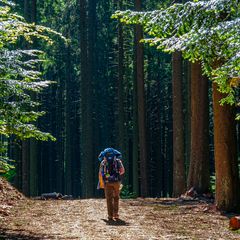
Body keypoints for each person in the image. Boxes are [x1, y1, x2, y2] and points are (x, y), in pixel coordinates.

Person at [98, 148, 125, 221]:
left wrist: (102, 182)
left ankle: (110, 216)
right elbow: (122, 171)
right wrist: (116, 175)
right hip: (116, 182)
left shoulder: (103, 162)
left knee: (109, 199)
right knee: (116, 198)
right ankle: (116, 214)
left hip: (107, 182)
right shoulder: (118, 161)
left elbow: (100, 173)